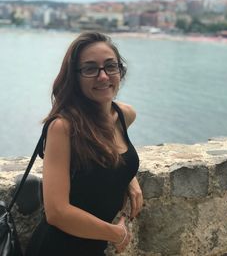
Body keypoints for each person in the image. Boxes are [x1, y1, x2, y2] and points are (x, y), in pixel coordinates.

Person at [25, 32, 143, 256]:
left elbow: (111, 154)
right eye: (90, 69)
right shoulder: (64, 128)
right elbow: (57, 212)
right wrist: (116, 234)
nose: (103, 76)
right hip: (57, 248)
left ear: (120, 70)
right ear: (75, 77)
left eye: (110, 66)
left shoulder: (125, 115)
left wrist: (128, 177)